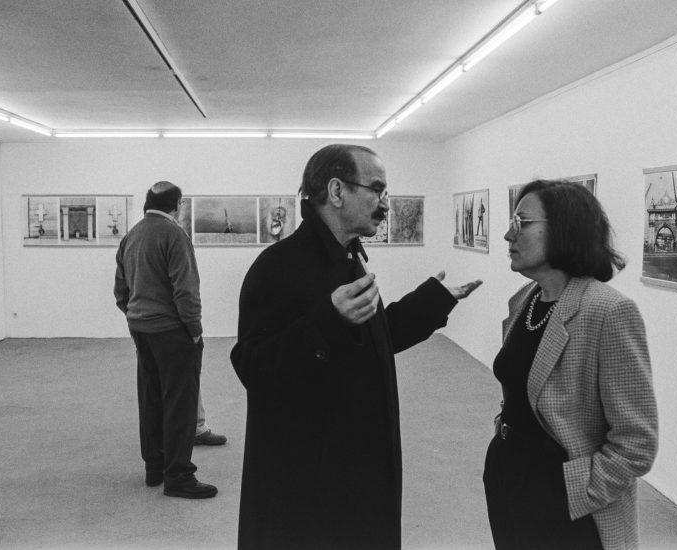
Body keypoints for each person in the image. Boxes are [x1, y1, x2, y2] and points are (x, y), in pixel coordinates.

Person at [230, 144, 482, 550]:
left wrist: (430, 304)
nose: (385, 203)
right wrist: (325, 323)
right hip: (313, 485)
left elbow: (369, 339)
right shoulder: (279, 267)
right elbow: (254, 368)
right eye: (377, 189)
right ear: (336, 191)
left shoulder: (346, 259)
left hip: (355, 464)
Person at [483, 180, 659, 550]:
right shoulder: (525, 300)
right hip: (508, 475)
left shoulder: (608, 311)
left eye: (522, 223)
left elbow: (637, 441)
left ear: (563, 229)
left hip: (563, 502)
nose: (508, 235)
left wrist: (576, 492)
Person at [114, 181, 217, 499]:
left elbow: (121, 290)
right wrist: (194, 329)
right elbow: (186, 290)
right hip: (172, 331)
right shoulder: (174, 234)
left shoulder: (132, 235)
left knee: (151, 399)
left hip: (141, 330)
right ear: (178, 204)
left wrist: (136, 317)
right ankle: (179, 476)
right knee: (180, 404)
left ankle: (154, 469)